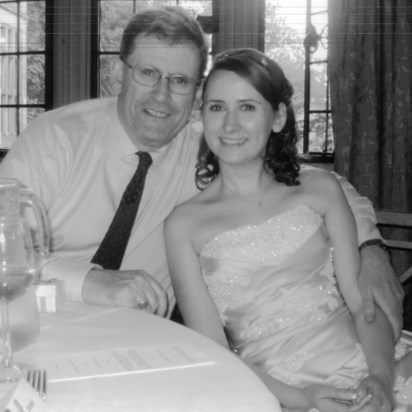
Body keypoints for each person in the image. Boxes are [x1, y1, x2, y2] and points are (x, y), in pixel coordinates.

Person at [0, 7, 403, 328]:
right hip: (38, 324)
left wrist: (369, 248)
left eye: (179, 80)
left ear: (196, 92)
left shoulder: (209, 144)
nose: (161, 95)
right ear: (120, 71)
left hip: (148, 341)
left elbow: (317, 183)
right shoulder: (55, 139)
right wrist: (87, 281)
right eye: (148, 73)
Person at [164, 48, 412, 412]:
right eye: (217, 107)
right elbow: (214, 352)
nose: (229, 125)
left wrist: (381, 379)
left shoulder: (321, 188)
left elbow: (363, 308)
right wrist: (301, 398)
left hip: (372, 360)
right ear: (202, 116)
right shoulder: (183, 225)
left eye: (247, 107)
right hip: (275, 389)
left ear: (277, 116)